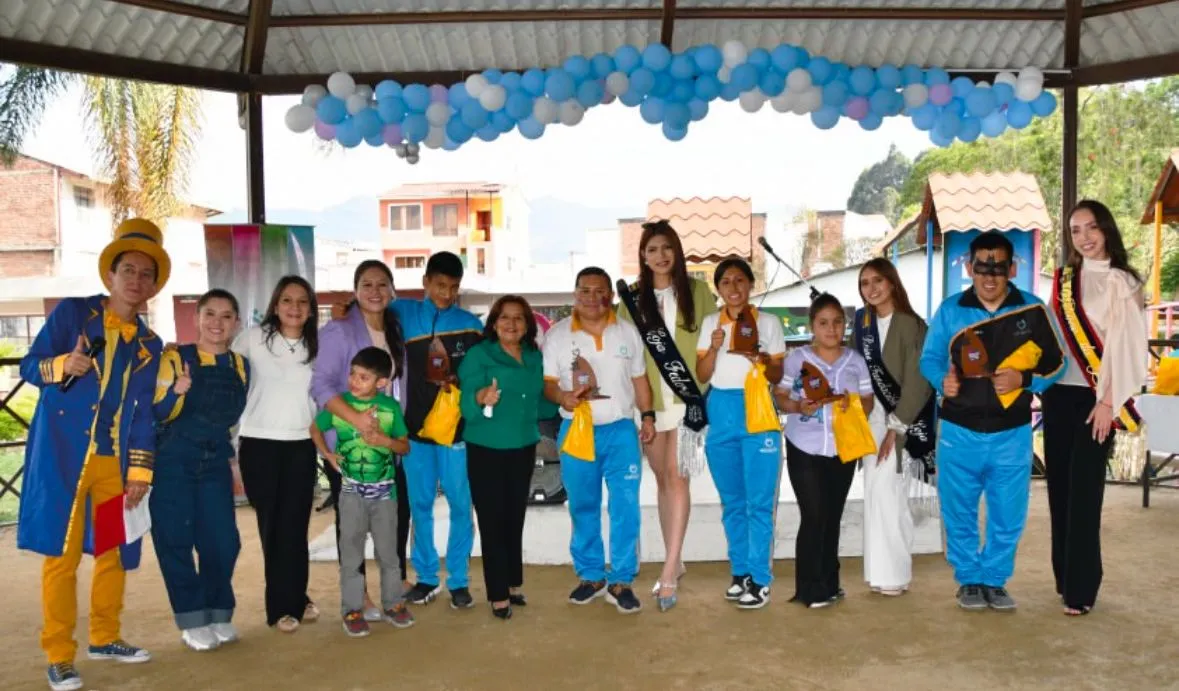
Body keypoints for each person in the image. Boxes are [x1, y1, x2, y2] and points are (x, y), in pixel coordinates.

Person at [18, 219, 165, 691]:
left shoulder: (150, 344)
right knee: (61, 557)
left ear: (154, 286)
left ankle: (105, 637)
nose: (136, 280)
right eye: (129, 270)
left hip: (113, 464)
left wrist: (140, 470)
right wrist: (64, 363)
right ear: (110, 275)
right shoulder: (72, 314)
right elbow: (29, 366)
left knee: (113, 553)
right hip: (62, 457)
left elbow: (143, 413)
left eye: (146, 274)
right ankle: (59, 654)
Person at [920, 231, 1066, 612]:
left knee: (1008, 512)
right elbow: (929, 359)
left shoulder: (1033, 310)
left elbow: (1058, 363)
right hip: (958, 431)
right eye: (982, 268)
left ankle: (995, 579)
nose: (989, 276)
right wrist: (942, 380)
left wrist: (1025, 380)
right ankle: (969, 578)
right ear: (969, 268)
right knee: (958, 510)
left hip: (1012, 433)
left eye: (998, 268)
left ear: (1012, 269)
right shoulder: (950, 310)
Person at [1046, 200, 1147, 616]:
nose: (1084, 237)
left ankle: (1082, 589)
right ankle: (1065, 578)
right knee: (1059, 490)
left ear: (1106, 229)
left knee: (1085, 493)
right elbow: (1052, 337)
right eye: (1075, 230)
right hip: (1057, 396)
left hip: (1096, 401)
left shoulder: (1124, 282)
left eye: (1091, 227)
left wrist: (1108, 401)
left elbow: (1129, 347)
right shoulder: (1063, 281)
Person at [616, 220, 717, 611]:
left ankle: (670, 569)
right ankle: (677, 557)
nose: (661, 256)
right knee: (661, 479)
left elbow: (712, 343)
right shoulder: (630, 300)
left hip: (688, 399)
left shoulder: (698, 292)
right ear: (643, 256)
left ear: (677, 251)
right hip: (649, 402)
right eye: (653, 249)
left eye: (667, 248)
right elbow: (625, 352)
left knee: (677, 478)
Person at [543, 267, 656, 614]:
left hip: (620, 431)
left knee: (625, 506)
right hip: (577, 429)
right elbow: (548, 384)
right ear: (575, 293)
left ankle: (621, 580)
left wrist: (647, 416)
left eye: (600, 291)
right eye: (585, 290)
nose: (593, 298)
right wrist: (563, 397)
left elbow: (639, 380)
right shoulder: (558, 335)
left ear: (611, 295)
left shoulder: (627, 332)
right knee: (583, 505)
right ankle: (591, 575)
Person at [151, 289, 250, 651]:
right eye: (210, 314)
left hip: (214, 462)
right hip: (173, 459)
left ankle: (218, 609)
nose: (217, 323)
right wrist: (177, 393)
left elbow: (233, 418)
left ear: (236, 323)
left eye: (226, 316)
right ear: (196, 319)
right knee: (175, 539)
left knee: (223, 541)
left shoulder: (241, 365)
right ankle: (192, 618)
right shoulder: (175, 358)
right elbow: (157, 411)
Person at [312, 260, 407, 621]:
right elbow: (320, 385)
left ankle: (392, 592)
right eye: (366, 284)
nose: (375, 291)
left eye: (382, 284)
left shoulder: (395, 328)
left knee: (392, 520)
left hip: (386, 443)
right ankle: (360, 597)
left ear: (392, 291)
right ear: (355, 291)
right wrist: (356, 420)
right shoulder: (338, 330)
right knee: (352, 529)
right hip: (349, 445)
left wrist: (388, 434)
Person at [391, 252, 483, 609]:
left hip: (457, 432)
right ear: (425, 282)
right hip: (414, 431)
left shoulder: (471, 326)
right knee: (420, 505)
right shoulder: (402, 313)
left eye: (454, 287)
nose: (447, 294)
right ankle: (427, 577)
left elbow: (482, 374)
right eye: (440, 285)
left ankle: (458, 580)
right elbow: (364, 309)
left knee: (461, 505)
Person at [695, 258, 786, 610]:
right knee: (732, 502)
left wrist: (761, 359)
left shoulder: (769, 322)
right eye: (726, 282)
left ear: (750, 284)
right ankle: (740, 573)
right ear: (718, 288)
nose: (733, 288)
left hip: (758, 411)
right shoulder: (710, 323)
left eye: (739, 280)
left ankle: (760, 580)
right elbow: (703, 374)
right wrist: (715, 347)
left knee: (759, 503)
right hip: (722, 412)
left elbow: (777, 376)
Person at [233, 276, 321, 633]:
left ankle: (296, 596)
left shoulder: (319, 345)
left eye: (302, 301)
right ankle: (281, 607)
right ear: (275, 305)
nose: (294, 308)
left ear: (311, 308)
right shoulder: (252, 339)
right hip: (259, 444)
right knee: (272, 527)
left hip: (302, 443)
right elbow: (226, 378)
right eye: (287, 300)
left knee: (295, 526)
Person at [775, 294, 873, 608]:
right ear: (812, 326)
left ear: (845, 325)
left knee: (832, 514)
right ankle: (810, 589)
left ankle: (831, 583)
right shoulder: (797, 359)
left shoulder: (855, 361)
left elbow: (868, 401)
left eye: (837, 322)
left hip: (843, 448)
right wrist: (798, 406)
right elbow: (780, 396)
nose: (831, 329)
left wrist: (851, 404)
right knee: (814, 514)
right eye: (823, 323)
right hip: (803, 446)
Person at [311, 347, 415, 637]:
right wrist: (327, 455)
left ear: (381, 382)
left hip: (385, 495)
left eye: (363, 377)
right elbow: (315, 429)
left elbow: (404, 447)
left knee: (389, 553)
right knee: (351, 553)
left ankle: (393, 604)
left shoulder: (390, 408)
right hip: (351, 494)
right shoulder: (340, 406)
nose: (354, 381)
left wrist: (384, 440)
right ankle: (352, 609)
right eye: (353, 374)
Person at [458, 295, 544, 619]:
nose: (511, 323)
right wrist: (481, 396)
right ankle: (497, 594)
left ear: (527, 324)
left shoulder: (534, 355)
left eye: (519, 317)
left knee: (514, 517)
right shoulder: (480, 354)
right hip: (486, 447)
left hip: (523, 444)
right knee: (492, 520)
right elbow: (465, 400)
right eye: (504, 317)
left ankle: (511, 582)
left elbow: (539, 399)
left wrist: (568, 398)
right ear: (493, 323)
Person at [853, 258, 935, 596]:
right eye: (864, 283)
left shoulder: (913, 325)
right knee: (874, 493)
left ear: (891, 283)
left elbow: (919, 380)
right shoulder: (862, 322)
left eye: (877, 281)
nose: (871, 288)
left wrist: (896, 427)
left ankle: (896, 574)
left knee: (891, 495)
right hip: (869, 419)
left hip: (901, 421)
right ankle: (878, 573)